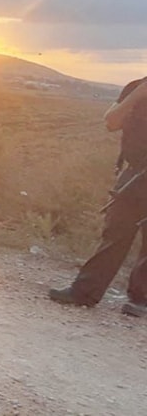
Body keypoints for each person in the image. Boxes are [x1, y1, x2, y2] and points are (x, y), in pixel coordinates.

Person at [49, 77, 147, 317]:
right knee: (115, 234)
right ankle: (84, 292)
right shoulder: (135, 87)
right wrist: (139, 94)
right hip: (135, 173)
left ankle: (140, 300)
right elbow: (112, 122)